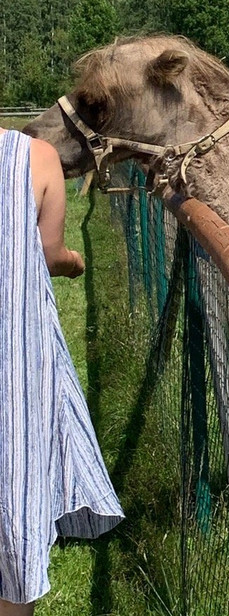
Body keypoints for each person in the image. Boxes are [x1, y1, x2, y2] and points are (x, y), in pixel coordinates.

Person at [0, 126, 123, 614]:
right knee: (14, 498)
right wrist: (74, 263)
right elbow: (52, 256)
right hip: (13, 363)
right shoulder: (35, 158)